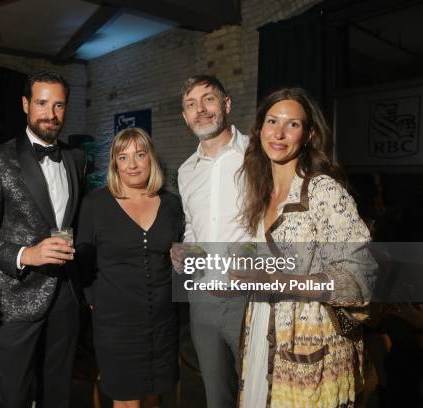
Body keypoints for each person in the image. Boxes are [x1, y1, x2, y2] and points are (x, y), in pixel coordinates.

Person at [235, 87, 375, 407]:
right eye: (272, 121)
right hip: (261, 330)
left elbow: (360, 280)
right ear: (259, 129)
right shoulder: (260, 192)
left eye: (293, 124)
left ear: (309, 134)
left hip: (310, 341)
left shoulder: (323, 190)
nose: (280, 133)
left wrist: (284, 281)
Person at [0, 70, 86, 408]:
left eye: (59, 105)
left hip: (66, 294)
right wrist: (27, 254)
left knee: (58, 389)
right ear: (25, 105)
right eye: (41, 103)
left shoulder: (76, 158)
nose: (51, 114)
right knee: (15, 394)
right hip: (16, 296)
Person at [76, 128, 183, 408]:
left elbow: (182, 251)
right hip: (116, 324)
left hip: (162, 321)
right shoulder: (95, 204)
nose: (132, 164)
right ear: (115, 164)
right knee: (126, 401)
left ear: (152, 159)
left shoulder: (171, 203)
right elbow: (83, 262)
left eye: (140, 155)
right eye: (123, 157)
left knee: (153, 396)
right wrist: (92, 302)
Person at [171, 74, 250, 407]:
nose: (200, 110)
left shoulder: (257, 154)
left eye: (208, 99)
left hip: (251, 299)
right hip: (202, 301)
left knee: (261, 391)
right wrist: (186, 252)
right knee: (217, 397)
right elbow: (193, 226)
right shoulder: (186, 171)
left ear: (226, 104)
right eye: (191, 104)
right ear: (185, 116)